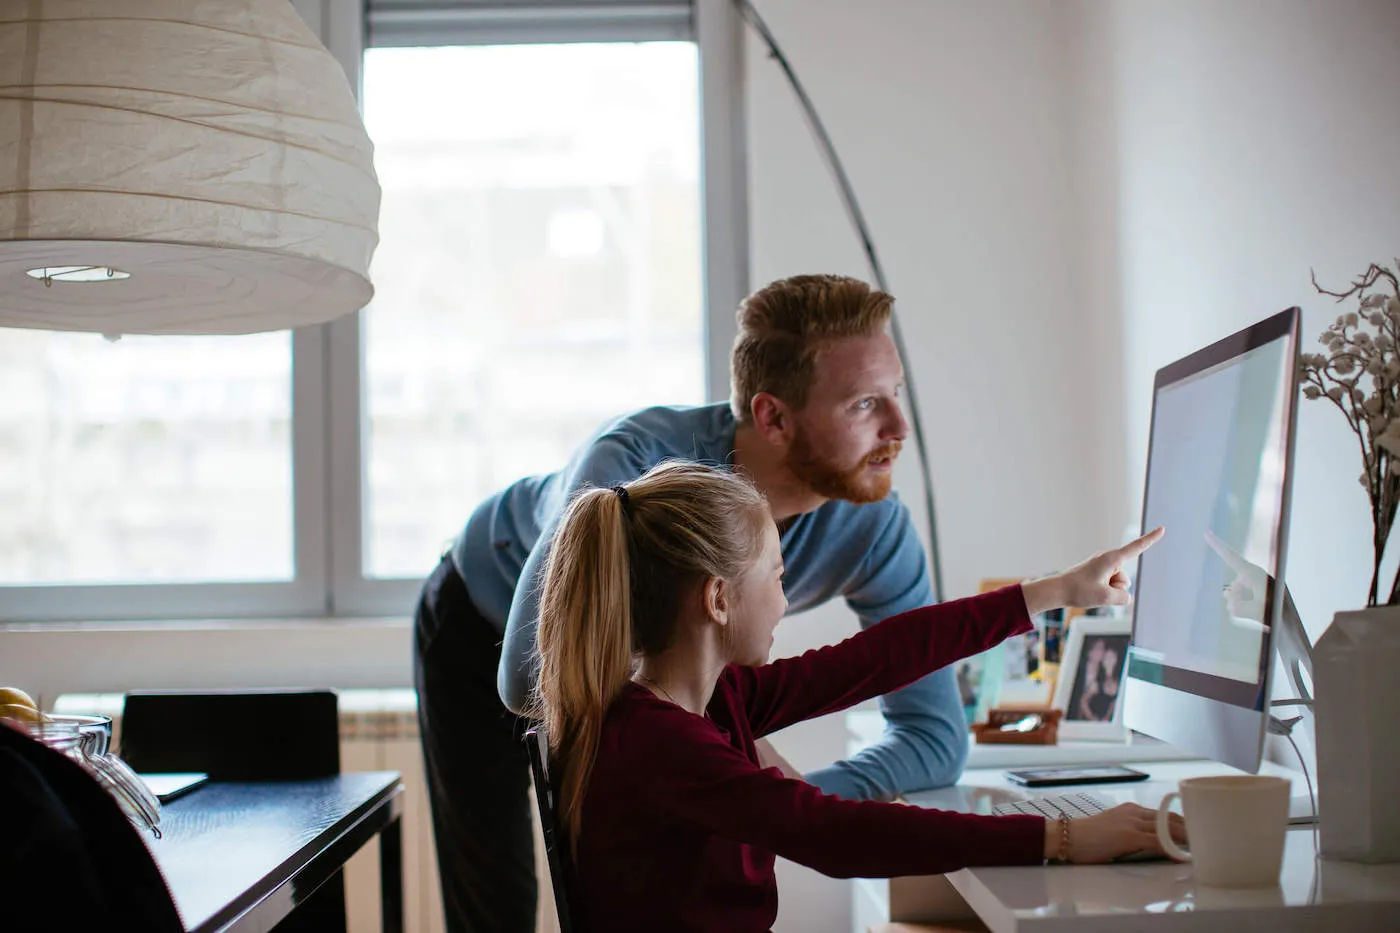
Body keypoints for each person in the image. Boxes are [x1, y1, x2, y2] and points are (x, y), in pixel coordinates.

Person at [416, 274, 1009, 931]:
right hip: (485, 622)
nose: (900, 426)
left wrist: (777, 804)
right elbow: (528, 677)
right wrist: (752, 783)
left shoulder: (874, 525)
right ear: (773, 416)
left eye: (895, 393)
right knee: (498, 906)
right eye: (866, 404)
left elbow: (933, 736)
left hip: (630, 680)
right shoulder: (634, 468)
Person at [532, 462, 1182, 933]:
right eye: (777, 576)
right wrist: (1061, 836)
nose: (785, 599)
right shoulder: (659, 741)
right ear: (718, 597)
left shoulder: (709, 697)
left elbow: (874, 659)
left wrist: (1051, 592)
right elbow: (835, 833)